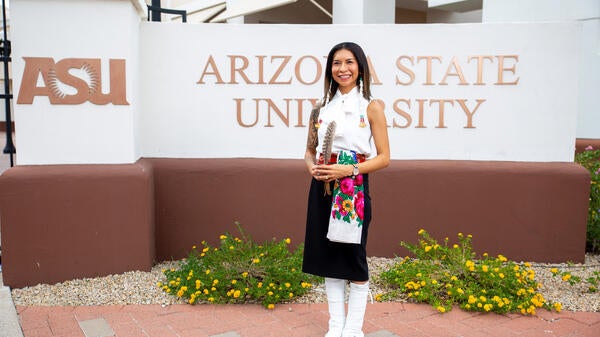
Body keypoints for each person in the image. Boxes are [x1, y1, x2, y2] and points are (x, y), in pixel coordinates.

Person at [302, 42, 390, 337]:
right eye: (336, 63)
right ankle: (335, 326)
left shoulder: (371, 107)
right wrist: (311, 167)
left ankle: (353, 329)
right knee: (328, 255)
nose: (343, 69)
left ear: (360, 67)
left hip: (351, 190)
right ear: (330, 69)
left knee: (353, 255)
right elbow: (308, 151)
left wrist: (348, 170)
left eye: (349, 62)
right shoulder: (320, 108)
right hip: (322, 187)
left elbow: (384, 157)